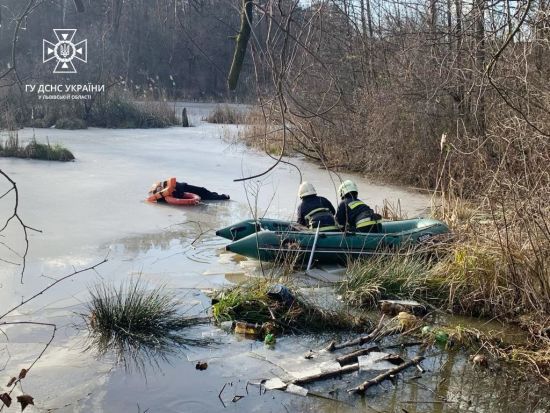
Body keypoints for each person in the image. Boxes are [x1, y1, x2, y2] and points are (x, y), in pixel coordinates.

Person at [148, 177, 230, 202]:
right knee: (203, 192)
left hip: (183, 188)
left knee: (203, 191)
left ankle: (217, 196)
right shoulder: (161, 196)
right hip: (182, 190)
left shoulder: (166, 186)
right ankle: (220, 196)